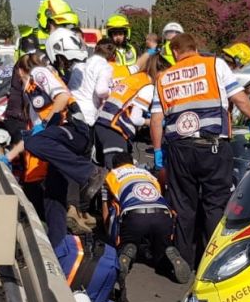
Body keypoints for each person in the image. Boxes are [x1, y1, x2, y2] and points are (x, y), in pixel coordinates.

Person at [150, 33, 250, 266]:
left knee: (183, 206)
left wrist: (158, 151)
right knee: (214, 204)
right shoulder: (215, 65)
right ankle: (211, 262)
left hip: (179, 149)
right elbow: (239, 98)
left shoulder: (164, 77)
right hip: (213, 146)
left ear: (175, 52)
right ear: (195, 48)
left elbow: (156, 119)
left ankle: (183, 260)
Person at [22, 29, 107, 246]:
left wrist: (44, 125)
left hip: (72, 129)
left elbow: (62, 97)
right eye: (65, 59)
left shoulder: (40, 72)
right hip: (67, 133)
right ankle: (58, 248)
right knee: (54, 197)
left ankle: (90, 172)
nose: (68, 64)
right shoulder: (50, 73)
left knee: (34, 141)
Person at [102, 152, 192, 284]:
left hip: (134, 216)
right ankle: (167, 255)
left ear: (114, 166)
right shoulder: (146, 173)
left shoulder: (111, 176)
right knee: (158, 255)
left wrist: (109, 235)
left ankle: (126, 252)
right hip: (162, 215)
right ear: (132, 164)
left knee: (123, 234)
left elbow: (106, 209)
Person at [94, 54, 165, 168]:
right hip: (115, 130)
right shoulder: (148, 87)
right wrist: (151, 121)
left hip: (101, 124)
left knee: (104, 171)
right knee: (120, 171)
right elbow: (135, 118)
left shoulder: (135, 78)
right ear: (160, 72)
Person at [69, 40, 115, 125]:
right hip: (87, 114)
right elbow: (101, 91)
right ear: (113, 56)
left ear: (94, 49)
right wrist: (112, 91)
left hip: (71, 108)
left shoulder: (78, 65)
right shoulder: (105, 67)